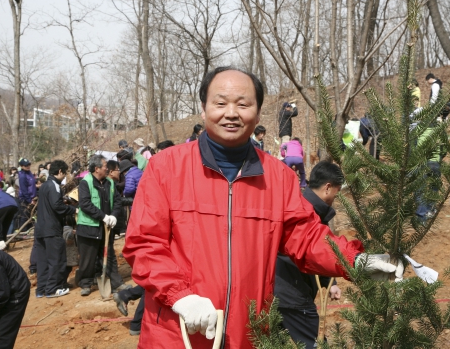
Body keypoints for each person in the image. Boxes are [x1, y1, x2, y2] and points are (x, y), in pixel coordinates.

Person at [123, 66, 400, 348]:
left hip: (250, 334)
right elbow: (144, 244)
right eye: (220, 103)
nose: (231, 113)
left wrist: (354, 260)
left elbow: (306, 238)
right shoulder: (166, 168)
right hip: (177, 332)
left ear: (257, 114)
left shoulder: (277, 178)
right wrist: (180, 296)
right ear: (204, 109)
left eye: (243, 104)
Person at [274, 161, 345, 347]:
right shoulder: (305, 212)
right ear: (328, 188)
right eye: (337, 191)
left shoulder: (307, 206)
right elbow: (307, 250)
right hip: (292, 294)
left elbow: (316, 250)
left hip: (280, 292)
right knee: (316, 344)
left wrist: (330, 283)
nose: (336, 197)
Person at [76, 155, 127, 296]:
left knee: (109, 255)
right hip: (89, 227)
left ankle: (117, 283)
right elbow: (85, 204)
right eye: (104, 166)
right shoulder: (85, 183)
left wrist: (113, 216)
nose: (107, 168)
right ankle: (85, 283)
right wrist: (103, 216)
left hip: (106, 228)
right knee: (88, 258)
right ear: (97, 168)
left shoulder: (110, 183)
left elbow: (117, 201)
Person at [35, 160, 78, 298]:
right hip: (52, 228)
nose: (64, 176)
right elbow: (57, 206)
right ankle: (53, 289)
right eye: (64, 173)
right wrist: (74, 209)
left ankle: (41, 289)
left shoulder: (44, 185)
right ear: (60, 171)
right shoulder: (55, 185)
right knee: (56, 260)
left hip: (40, 228)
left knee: (42, 261)